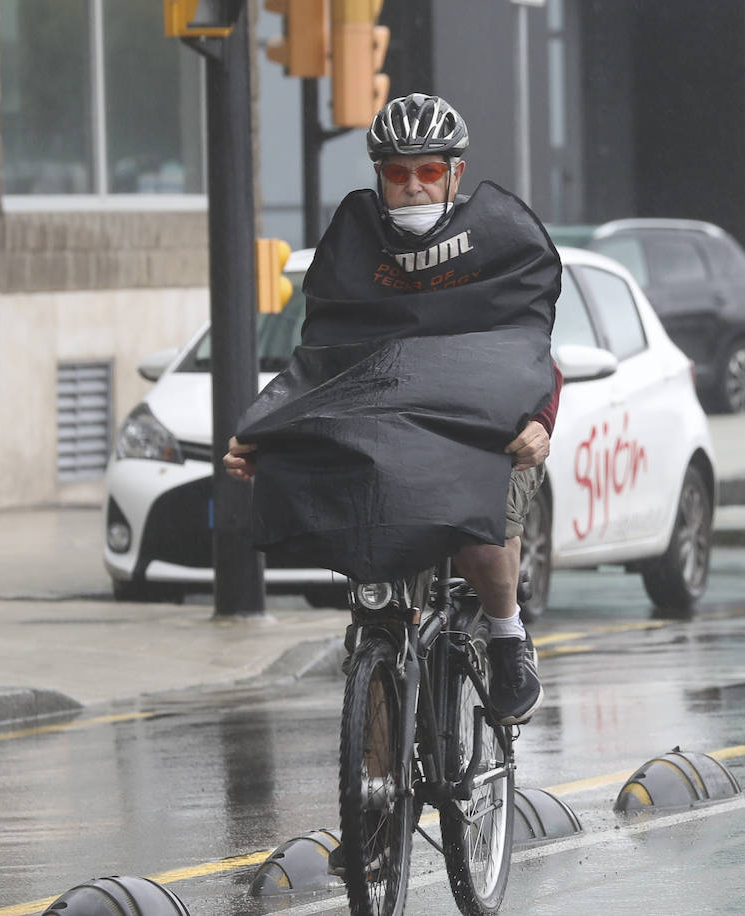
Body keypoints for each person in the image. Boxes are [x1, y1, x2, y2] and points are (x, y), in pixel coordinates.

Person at [223, 94, 561, 727]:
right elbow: (323, 362)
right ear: (379, 175)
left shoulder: (497, 244)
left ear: (455, 173)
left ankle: (509, 635)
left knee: (483, 543)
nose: (412, 188)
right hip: (390, 433)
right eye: (397, 173)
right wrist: (268, 435)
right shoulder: (355, 249)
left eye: (428, 171)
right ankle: (384, 739)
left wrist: (539, 422)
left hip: (483, 428)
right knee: (372, 565)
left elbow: (530, 348)